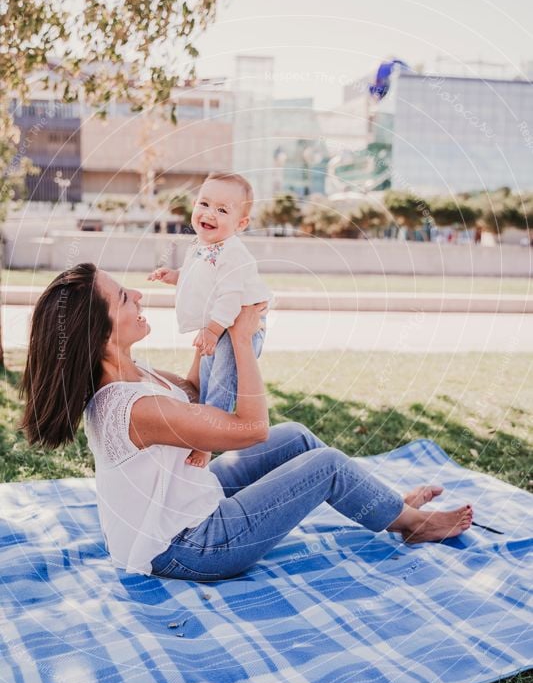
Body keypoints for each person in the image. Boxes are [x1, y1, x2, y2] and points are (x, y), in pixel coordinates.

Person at [19, 263, 473, 583]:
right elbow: (249, 427)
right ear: (99, 334)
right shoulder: (133, 408)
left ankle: (388, 505)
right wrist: (240, 337)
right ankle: (414, 523)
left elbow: (193, 395)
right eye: (123, 298)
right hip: (189, 547)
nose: (137, 295)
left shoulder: (135, 374)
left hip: (186, 502)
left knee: (295, 437)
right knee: (326, 465)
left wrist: (211, 317)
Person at [148, 172, 272, 469]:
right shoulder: (202, 246)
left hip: (238, 326)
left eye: (222, 210)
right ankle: (203, 427)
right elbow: (203, 278)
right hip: (221, 327)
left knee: (221, 384)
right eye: (204, 203)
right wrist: (176, 276)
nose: (209, 213)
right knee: (206, 379)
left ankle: (206, 443)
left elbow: (230, 296)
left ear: (241, 224)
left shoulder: (233, 253)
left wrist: (213, 330)